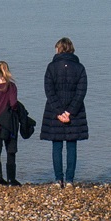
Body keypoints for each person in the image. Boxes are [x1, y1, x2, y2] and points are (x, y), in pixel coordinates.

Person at [41, 37, 88, 187]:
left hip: (55, 111)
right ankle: (69, 180)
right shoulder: (79, 68)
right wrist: (70, 112)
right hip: (75, 113)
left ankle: (58, 179)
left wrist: (59, 112)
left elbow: (49, 91)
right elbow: (81, 92)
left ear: (59, 49)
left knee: (57, 146)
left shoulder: (52, 67)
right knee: (71, 146)